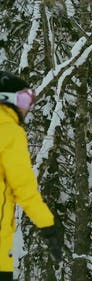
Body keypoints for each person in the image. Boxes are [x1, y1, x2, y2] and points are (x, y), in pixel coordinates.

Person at [0, 71, 63, 280]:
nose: (26, 107)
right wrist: (47, 224)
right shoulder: (8, 130)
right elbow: (23, 188)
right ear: (5, 98)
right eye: (24, 99)